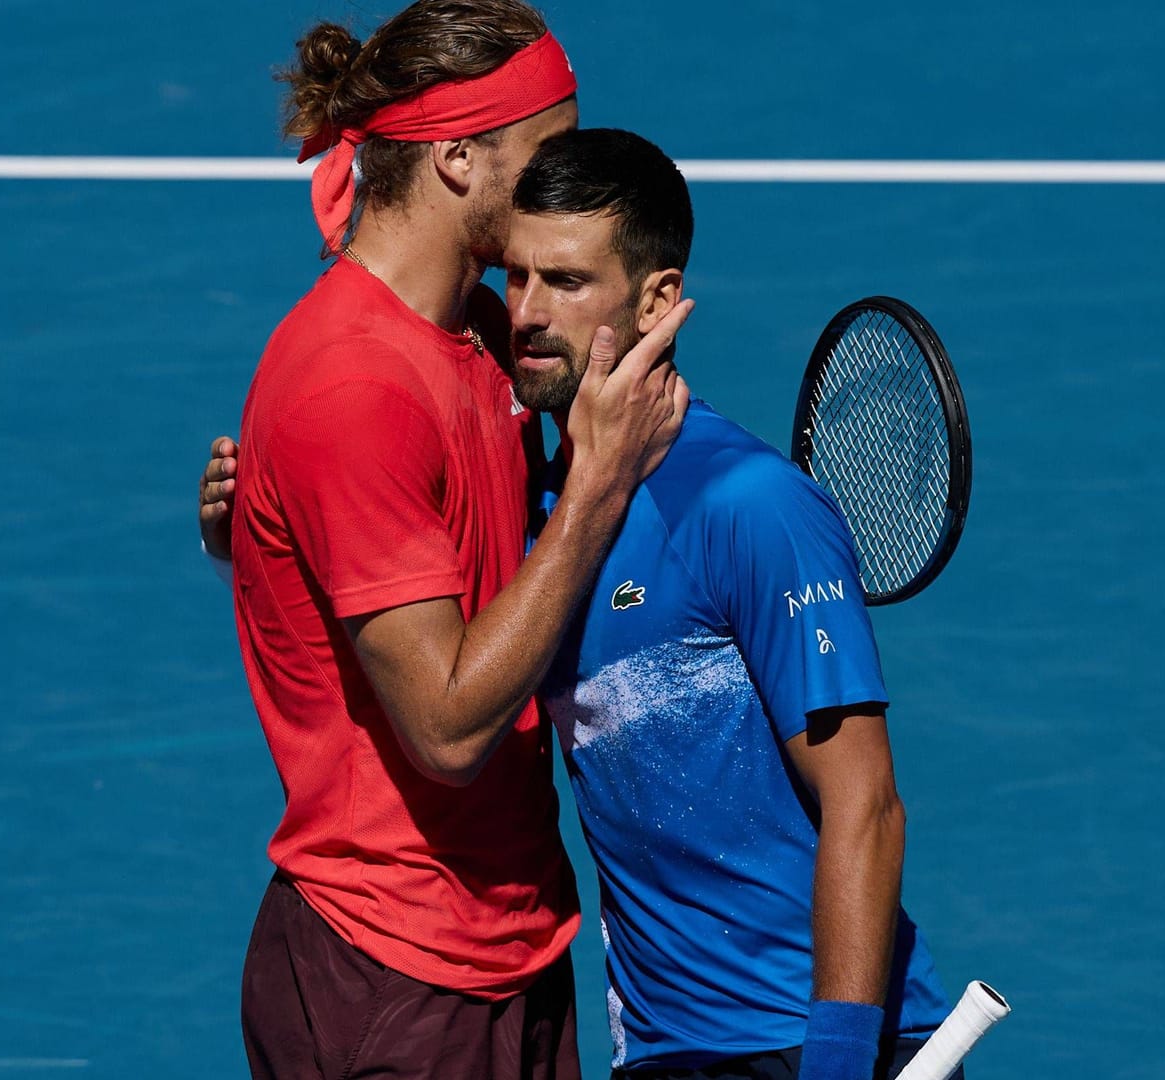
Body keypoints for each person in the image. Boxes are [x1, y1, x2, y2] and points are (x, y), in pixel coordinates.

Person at [203, 129, 958, 1080]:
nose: (524, 313)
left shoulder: (749, 508)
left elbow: (867, 805)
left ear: (654, 300)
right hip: (661, 1047)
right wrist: (255, 528)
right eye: (516, 277)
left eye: (566, 283)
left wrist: (841, 1063)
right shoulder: (544, 511)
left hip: (807, 1038)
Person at [221, 3, 691, 1077]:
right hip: (394, 976)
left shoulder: (481, 332)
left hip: (509, 942)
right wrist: (597, 488)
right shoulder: (356, 388)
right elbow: (442, 728)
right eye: (546, 150)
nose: (565, 176)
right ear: (458, 158)